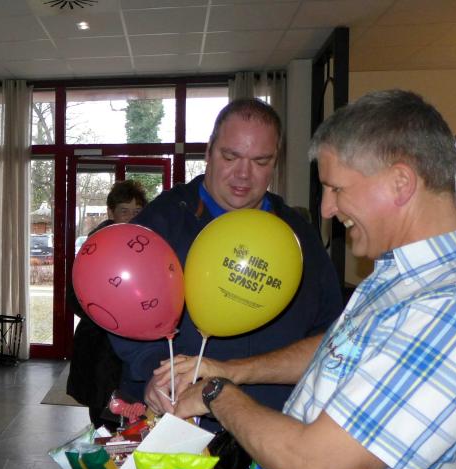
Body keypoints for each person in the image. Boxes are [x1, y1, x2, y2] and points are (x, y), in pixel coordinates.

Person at [173, 89, 456, 469]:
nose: (326, 208)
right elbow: (338, 351)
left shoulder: (454, 310)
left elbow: (313, 466)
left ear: (401, 183)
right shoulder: (401, 276)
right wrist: (231, 370)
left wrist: (216, 393)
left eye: (337, 188)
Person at [111, 98, 343, 427]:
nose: (243, 174)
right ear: (208, 152)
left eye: (260, 161)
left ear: (276, 162)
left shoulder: (299, 237)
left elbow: (329, 332)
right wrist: (154, 370)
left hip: (269, 426)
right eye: (230, 157)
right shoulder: (161, 222)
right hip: (174, 418)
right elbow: (121, 307)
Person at [67, 179, 147, 429]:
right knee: (103, 418)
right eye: (125, 211)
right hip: (100, 347)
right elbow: (74, 298)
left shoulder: (148, 247)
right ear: (111, 212)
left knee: (133, 418)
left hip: (134, 348)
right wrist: (109, 315)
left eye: (137, 211)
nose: (132, 218)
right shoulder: (94, 247)